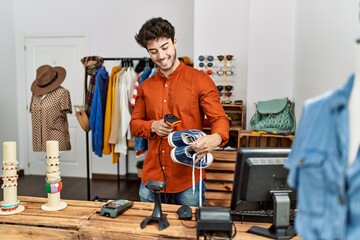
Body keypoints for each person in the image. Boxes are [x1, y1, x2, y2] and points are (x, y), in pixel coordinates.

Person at [130, 17, 229, 206]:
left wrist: (216, 138)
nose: (161, 55)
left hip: (188, 181)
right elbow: (135, 125)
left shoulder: (200, 80)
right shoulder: (145, 86)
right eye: (153, 51)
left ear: (175, 42)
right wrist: (152, 126)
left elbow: (219, 119)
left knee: (188, 233)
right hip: (151, 181)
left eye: (165, 47)